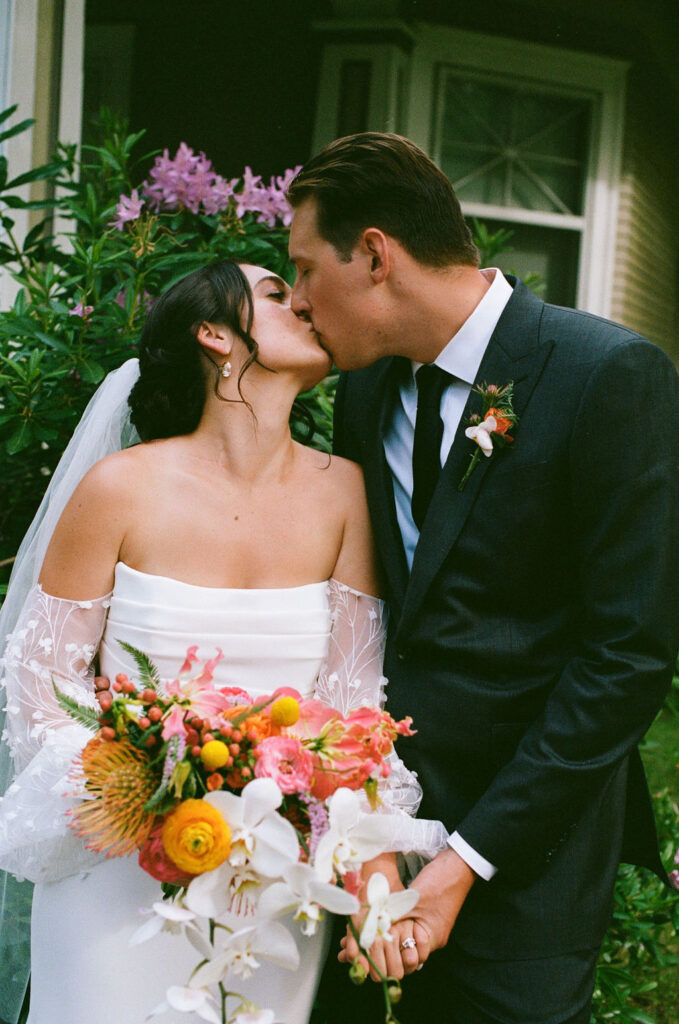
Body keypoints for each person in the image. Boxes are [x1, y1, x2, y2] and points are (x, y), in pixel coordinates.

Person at [286, 132, 679, 1024]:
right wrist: (364, 830)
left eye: (304, 268)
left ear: (376, 255)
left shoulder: (606, 375)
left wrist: (469, 859)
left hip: (526, 858)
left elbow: (627, 656)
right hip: (370, 847)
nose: (300, 300)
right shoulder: (364, 390)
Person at [0, 259, 446, 1024]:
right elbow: (41, 678)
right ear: (214, 333)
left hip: (272, 874)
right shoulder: (119, 487)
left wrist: (354, 847)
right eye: (275, 294)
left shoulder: (345, 492)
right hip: (117, 863)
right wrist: (148, 792)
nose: (302, 301)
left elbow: (350, 702)